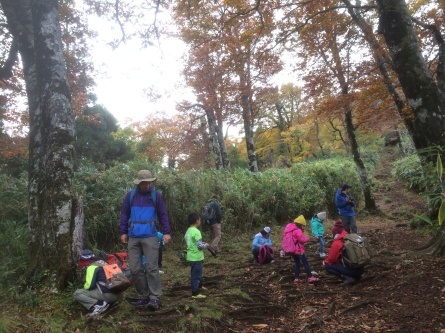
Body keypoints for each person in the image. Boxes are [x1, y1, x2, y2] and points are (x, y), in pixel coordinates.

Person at [119, 170, 171, 310]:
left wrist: (166, 232)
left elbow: (163, 214)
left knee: (152, 268)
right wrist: (123, 231)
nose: (148, 185)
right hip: (134, 237)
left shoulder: (156, 196)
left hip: (150, 236)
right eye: (145, 183)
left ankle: (155, 298)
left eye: (149, 183)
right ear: (139, 183)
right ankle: (144, 295)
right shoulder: (130, 196)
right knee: (135, 269)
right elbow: (124, 214)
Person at [74, 250, 121, 317]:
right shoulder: (104, 263)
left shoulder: (92, 267)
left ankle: (100, 304)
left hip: (108, 296)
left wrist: (84, 285)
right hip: (119, 295)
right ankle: (107, 303)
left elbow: (89, 286)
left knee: (78, 293)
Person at [283, 215, 320, 284]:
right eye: (302, 225)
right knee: (305, 263)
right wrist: (307, 238)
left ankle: (296, 279)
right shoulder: (297, 230)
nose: (302, 227)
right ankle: (310, 277)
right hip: (298, 250)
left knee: (297, 263)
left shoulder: (289, 229)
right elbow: (301, 240)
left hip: (292, 250)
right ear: (299, 224)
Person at [185, 212, 209, 299]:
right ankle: (195, 293)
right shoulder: (197, 232)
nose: (200, 220)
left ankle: (199, 286)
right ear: (197, 221)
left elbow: (192, 243)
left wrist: (200, 243)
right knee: (196, 274)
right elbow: (199, 246)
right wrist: (206, 245)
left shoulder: (188, 231)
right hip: (196, 257)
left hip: (191, 256)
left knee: (197, 272)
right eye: (199, 219)